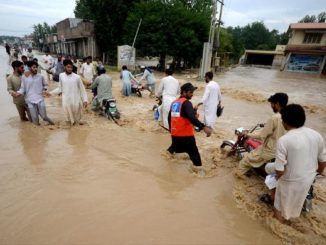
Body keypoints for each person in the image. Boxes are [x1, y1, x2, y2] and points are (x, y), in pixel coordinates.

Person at [266, 104, 326, 223]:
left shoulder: (284, 140)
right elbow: (322, 161)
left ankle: (279, 224)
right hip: (308, 177)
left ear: (285, 122)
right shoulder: (316, 135)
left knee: (278, 205)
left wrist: (277, 180)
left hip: (290, 181)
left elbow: (279, 171)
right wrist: (317, 172)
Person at [238, 93, 288, 176]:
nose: (271, 106)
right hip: (283, 151)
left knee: (245, 161)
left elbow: (262, 136)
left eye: (272, 104)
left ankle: (238, 178)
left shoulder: (274, 118)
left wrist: (248, 134)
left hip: (270, 151)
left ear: (277, 104)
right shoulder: (289, 115)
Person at [167, 82, 212, 172]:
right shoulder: (187, 103)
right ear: (184, 92)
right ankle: (199, 173)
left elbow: (169, 117)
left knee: (173, 149)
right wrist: (203, 127)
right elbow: (191, 118)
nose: (192, 94)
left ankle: (166, 162)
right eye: (190, 92)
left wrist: (171, 130)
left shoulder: (175, 102)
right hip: (186, 136)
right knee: (195, 155)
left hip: (175, 134)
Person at [14, 61, 54, 126]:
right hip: (30, 101)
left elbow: (45, 85)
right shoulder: (24, 77)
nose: (36, 69)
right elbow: (22, 88)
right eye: (34, 67)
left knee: (44, 117)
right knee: (35, 119)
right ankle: (38, 133)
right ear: (29, 68)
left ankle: (53, 124)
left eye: (36, 67)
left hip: (40, 99)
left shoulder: (40, 76)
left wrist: (44, 90)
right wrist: (18, 93)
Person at [50, 60, 88, 126]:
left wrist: (85, 100)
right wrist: (50, 93)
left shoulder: (77, 77)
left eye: (71, 67)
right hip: (66, 101)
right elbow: (60, 88)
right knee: (67, 119)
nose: (70, 69)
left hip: (76, 101)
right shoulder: (61, 76)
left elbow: (82, 90)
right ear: (64, 67)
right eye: (68, 67)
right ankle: (70, 133)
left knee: (76, 120)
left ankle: (75, 133)